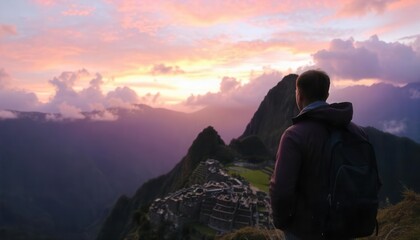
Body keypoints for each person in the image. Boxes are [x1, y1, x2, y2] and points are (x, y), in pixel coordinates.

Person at [269, 70, 368, 239]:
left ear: (299, 95)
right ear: (327, 94)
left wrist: (282, 222)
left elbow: (281, 190)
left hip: (306, 230)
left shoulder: (294, 135)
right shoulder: (357, 132)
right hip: (346, 225)